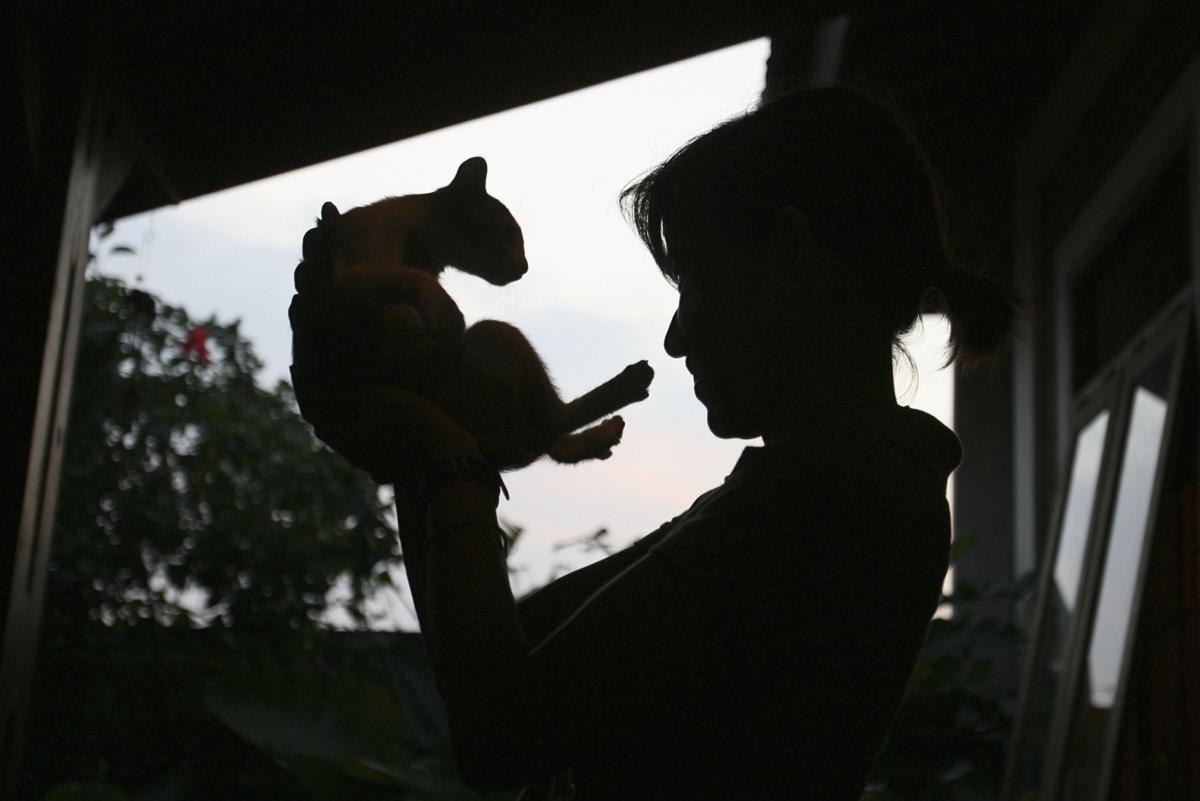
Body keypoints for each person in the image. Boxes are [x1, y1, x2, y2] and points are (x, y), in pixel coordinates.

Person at [288, 86, 1014, 801]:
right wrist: (418, 433)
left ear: (788, 258)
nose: (675, 336)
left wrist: (436, 452)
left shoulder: (829, 504)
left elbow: (499, 734)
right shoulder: (831, 485)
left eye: (695, 285)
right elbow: (495, 658)